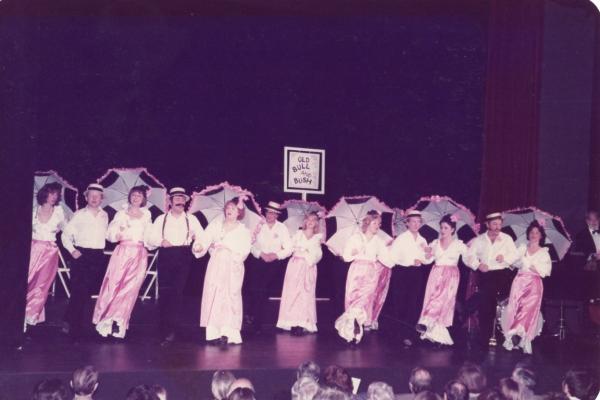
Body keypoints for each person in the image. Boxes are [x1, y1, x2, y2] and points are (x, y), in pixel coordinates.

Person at [93, 185, 153, 339]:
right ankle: (106, 320)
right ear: (130, 197)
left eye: (139, 195)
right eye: (134, 195)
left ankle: (119, 322)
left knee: (130, 289)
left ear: (143, 198)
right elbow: (110, 234)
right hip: (122, 251)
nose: (136, 198)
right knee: (113, 285)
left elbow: (150, 236)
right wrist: (117, 233)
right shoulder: (121, 213)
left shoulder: (147, 215)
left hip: (139, 253)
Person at [147, 187, 204, 346]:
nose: (180, 201)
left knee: (177, 294)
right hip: (166, 255)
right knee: (164, 293)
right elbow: (150, 237)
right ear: (170, 202)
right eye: (177, 199)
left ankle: (171, 330)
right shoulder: (161, 219)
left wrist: (198, 244)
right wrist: (161, 241)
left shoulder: (191, 219)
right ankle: (163, 329)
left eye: (183, 199)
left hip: (183, 256)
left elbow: (201, 237)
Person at [194, 199, 252, 345]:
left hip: (232, 266)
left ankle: (228, 332)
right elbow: (205, 238)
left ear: (239, 212)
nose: (229, 210)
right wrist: (199, 246)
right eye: (228, 207)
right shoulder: (216, 225)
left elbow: (245, 250)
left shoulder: (243, 231)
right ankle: (213, 332)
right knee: (214, 294)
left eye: (233, 208)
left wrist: (227, 247)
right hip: (216, 264)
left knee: (230, 296)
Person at [334, 210, 393, 344]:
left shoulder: (378, 241)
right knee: (353, 300)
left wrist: (395, 254)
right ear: (368, 222)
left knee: (363, 299)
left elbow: (387, 260)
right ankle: (352, 330)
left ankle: (355, 329)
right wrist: (354, 252)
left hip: (371, 272)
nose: (378, 226)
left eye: (379, 224)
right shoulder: (355, 238)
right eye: (375, 223)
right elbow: (346, 257)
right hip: (356, 271)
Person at [61, 184, 109, 341]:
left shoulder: (105, 215)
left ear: (101, 198)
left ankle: (68, 319)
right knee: (79, 291)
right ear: (86, 197)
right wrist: (72, 250)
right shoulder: (79, 215)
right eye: (91, 195)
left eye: (97, 196)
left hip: (98, 256)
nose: (94, 198)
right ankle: (75, 329)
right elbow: (65, 235)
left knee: (87, 293)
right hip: (82, 255)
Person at [465, 212, 517, 345]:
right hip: (485, 275)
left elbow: (515, 255)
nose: (498, 227)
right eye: (494, 224)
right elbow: (468, 256)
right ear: (487, 224)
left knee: (485, 296)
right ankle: (485, 337)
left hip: (502, 274)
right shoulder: (479, 240)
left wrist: (505, 258)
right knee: (486, 305)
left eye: (499, 224)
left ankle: (467, 308)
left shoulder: (507, 239)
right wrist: (478, 265)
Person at [501, 221, 552, 354]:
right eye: (531, 232)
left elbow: (544, 271)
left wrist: (527, 262)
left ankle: (524, 339)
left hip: (534, 283)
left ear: (541, 236)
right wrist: (506, 259)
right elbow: (512, 261)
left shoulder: (544, 252)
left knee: (528, 311)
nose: (534, 235)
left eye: (537, 233)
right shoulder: (522, 248)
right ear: (528, 235)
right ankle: (511, 338)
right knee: (515, 308)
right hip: (519, 282)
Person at [416, 214, 467, 346]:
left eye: (446, 228)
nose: (443, 230)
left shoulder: (458, 244)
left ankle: (426, 321)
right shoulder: (435, 243)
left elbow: (469, 258)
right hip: (436, 273)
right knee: (432, 298)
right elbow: (428, 260)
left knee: (442, 301)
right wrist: (426, 255)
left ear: (452, 229)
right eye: (441, 227)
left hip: (450, 276)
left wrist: (477, 261)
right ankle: (436, 336)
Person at [26, 182, 67, 328]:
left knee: (42, 285)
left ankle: (31, 315)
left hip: (50, 251)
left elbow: (67, 229)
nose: (54, 197)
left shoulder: (59, 211)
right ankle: (23, 311)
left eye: (56, 194)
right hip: (33, 249)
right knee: (28, 281)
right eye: (51, 193)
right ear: (45, 193)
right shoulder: (34, 210)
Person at [247, 201, 292, 332]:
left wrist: (276, 255)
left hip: (274, 264)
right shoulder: (258, 225)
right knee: (254, 290)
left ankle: (257, 320)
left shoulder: (282, 228)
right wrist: (260, 253)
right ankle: (253, 317)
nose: (270, 215)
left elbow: (289, 248)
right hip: (257, 261)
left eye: (273, 213)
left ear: (277, 215)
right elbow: (249, 243)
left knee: (264, 292)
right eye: (268, 212)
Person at [387, 210, 429, 347]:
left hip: (416, 273)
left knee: (413, 303)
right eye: (413, 221)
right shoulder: (401, 239)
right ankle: (400, 333)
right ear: (407, 223)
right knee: (401, 303)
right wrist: (410, 260)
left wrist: (425, 258)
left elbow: (426, 259)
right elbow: (392, 257)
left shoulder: (423, 240)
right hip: (402, 273)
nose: (416, 224)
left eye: (418, 222)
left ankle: (408, 333)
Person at [277, 212, 323, 335]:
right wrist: (278, 254)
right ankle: (289, 322)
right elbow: (289, 248)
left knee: (305, 295)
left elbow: (318, 255)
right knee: (292, 293)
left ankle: (302, 323)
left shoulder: (317, 238)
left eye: (314, 219)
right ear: (305, 221)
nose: (311, 221)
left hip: (308, 267)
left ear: (316, 223)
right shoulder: (298, 234)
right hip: (295, 266)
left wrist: (307, 253)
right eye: (309, 219)